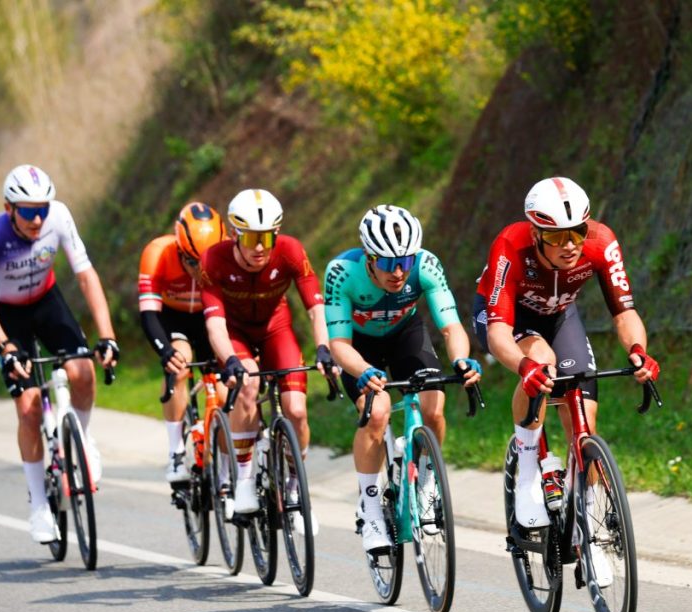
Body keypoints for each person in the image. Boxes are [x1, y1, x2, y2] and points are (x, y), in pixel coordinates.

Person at [473, 176, 660, 583]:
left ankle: (589, 530)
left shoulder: (601, 242)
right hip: (507, 318)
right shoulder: (511, 245)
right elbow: (498, 333)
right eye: (558, 236)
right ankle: (527, 468)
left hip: (560, 316)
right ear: (536, 234)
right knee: (541, 360)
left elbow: (625, 313)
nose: (571, 244)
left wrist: (638, 351)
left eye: (578, 232)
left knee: (584, 423)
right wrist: (524, 366)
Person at [0, 164, 119, 544]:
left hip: (47, 302)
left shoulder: (59, 217)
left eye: (42, 209)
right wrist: (6, 347)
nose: (37, 219)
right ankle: (38, 503)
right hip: (7, 315)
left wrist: (107, 335)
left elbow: (86, 276)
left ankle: (83, 440)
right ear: (9, 208)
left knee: (82, 371)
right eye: (28, 211)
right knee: (29, 408)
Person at [324, 204, 481, 552]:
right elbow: (339, 344)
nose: (398, 272)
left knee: (433, 407)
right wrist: (362, 370)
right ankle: (369, 508)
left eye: (405, 261)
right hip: (359, 347)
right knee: (377, 412)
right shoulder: (342, 272)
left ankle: (426, 483)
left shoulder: (425, 264)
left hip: (405, 335)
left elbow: (451, 326)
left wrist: (460, 359)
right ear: (369, 258)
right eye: (387, 263)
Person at [202, 188, 333, 534]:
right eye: (251, 238)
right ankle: (244, 479)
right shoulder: (214, 259)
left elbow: (315, 308)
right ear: (234, 234)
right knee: (248, 384)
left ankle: (295, 489)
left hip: (276, 328)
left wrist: (323, 347)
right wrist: (229, 359)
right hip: (235, 333)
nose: (260, 247)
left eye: (267, 237)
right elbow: (214, 324)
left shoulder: (290, 251)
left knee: (297, 410)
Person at [138, 202, 226, 483]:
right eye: (192, 262)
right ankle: (176, 451)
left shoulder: (228, 252)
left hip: (209, 317)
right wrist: (164, 351)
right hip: (172, 318)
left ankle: (227, 465)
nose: (200, 270)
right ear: (179, 249)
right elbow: (149, 314)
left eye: (207, 262)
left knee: (226, 391)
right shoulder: (157, 253)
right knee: (179, 365)